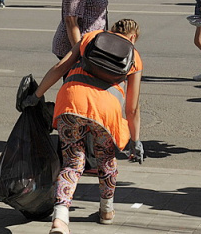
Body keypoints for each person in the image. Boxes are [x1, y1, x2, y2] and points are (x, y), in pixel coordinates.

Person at [28, 19, 143, 234]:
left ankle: (60, 219)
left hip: (71, 101)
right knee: (106, 159)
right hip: (106, 113)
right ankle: (106, 211)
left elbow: (60, 67)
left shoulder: (91, 37)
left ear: (111, 31)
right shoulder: (134, 56)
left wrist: (36, 95)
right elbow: (132, 108)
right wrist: (136, 141)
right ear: (133, 37)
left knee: (72, 163)